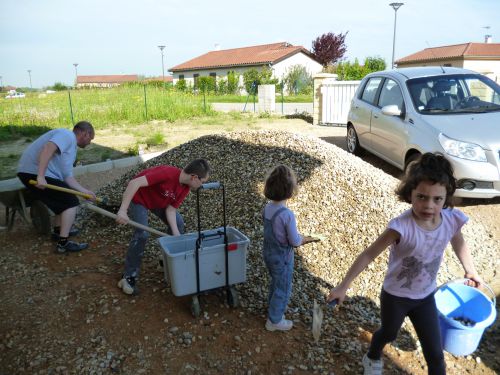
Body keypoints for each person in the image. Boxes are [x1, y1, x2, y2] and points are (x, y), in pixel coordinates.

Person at [327, 152, 482, 375]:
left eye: (437, 199)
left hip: (425, 297)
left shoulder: (450, 219)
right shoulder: (400, 227)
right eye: (421, 197)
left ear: (446, 197)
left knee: (436, 357)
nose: (429, 205)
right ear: (410, 193)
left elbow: (458, 241)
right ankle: (372, 355)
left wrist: (471, 270)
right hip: (395, 297)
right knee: (388, 333)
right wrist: (343, 286)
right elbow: (368, 254)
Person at [115, 159, 211, 295]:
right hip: (139, 198)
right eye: (203, 182)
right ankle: (128, 276)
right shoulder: (167, 173)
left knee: (178, 224)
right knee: (142, 234)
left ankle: (165, 262)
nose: (202, 185)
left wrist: (176, 235)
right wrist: (123, 210)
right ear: (194, 177)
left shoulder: (185, 188)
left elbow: (170, 210)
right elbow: (134, 183)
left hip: (158, 202)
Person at [17, 121, 96, 254]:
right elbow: (48, 148)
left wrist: (84, 192)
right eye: (90, 138)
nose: (90, 143)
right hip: (33, 173)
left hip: (37, 174)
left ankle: (58, 232)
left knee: (62, 202)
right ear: (85, 133)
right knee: (71, 202)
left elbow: (67, 177)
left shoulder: (71, 150)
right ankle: (63, 244)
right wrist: (40, 176)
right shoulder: (67, 135)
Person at [262, 165, 318, 332]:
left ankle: (272, 309)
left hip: (268, 253)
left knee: (275, 282)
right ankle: (274, 320)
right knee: (283, 287)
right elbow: (294, 241)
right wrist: (305, 238)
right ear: (290, 190)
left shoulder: (267, 208)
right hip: (282, 258)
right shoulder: (287, 215)